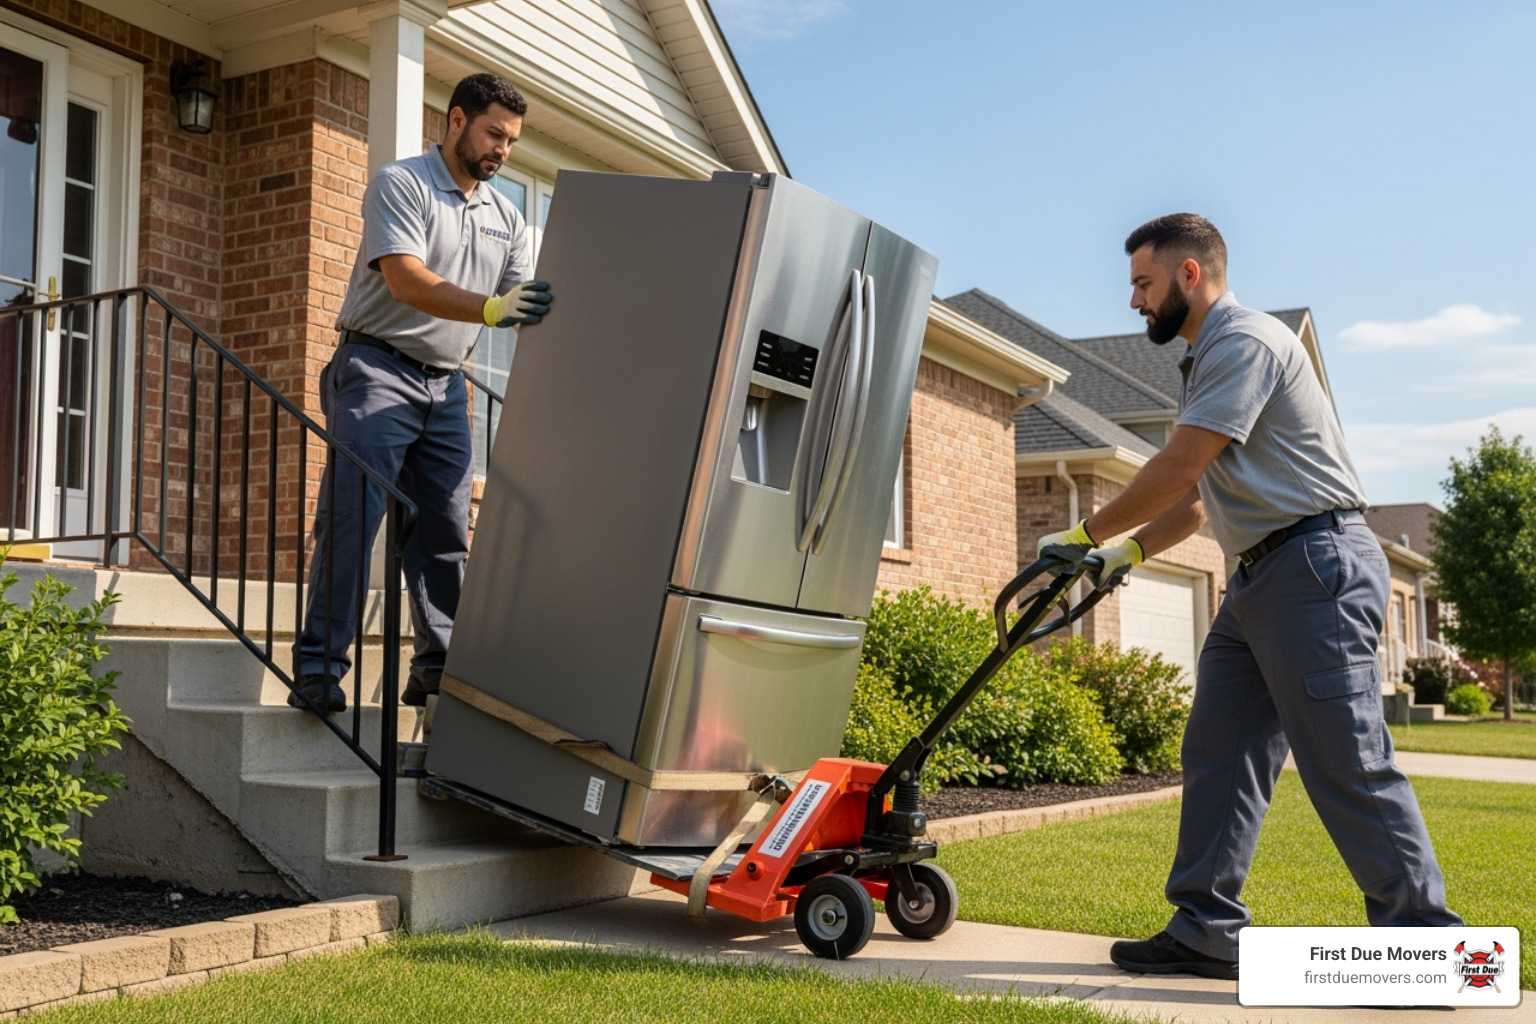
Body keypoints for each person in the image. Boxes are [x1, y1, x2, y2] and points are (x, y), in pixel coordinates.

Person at [1036, 213, 1460, 980]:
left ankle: (1425, 949)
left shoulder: (1246, 341)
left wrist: (1082, 532)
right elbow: (1199, 498)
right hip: (1260, 578)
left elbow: (1177, 466)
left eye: (1143, 283)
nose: (1133, 301)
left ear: (1189, 275)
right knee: (1219, 751)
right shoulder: (1207, 361)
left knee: (1348, 759)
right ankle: (1206, 928)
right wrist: (1125, 551)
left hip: (1314, 569)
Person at [290, 72, 553, 714]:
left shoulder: (507, 217)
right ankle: (320, 671)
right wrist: (492, 310)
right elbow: (406, 281)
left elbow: (526, 310)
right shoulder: (401, 183)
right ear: (456, 120)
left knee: (443, 531)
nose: (503, 151)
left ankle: (438, 666)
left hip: (447, 384)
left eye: (513, 142)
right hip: (376, 370)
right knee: (354, 519)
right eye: (495, 134)